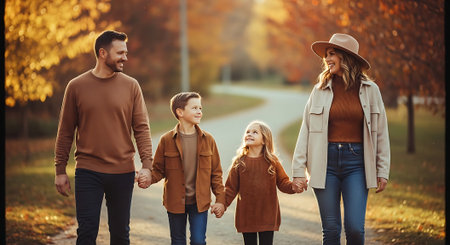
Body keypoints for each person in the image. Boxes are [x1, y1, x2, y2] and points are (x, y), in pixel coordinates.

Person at [54, 30, 153, 245]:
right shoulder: (76, 86)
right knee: (87, 232)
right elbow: (65, 131)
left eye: (126, 53)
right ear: (102, 53)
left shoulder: (131, 86)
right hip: (88, 171)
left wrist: (147, 164)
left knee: (120, 234)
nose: (125, 57)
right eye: (120, 53)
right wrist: (60, 169)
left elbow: (142, 128)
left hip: (122, 172)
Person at [291, 33, 391, 245]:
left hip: (357, 164)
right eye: (327, 55)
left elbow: (381, 132)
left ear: (347, 57)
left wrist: (382, 170)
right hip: (324, 163)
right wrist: (298, 172)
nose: (327, 59)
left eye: (332, 54)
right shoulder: (319, 90)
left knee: (355, 228)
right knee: (331, 230)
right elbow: (305, 131)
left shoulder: (370, 90)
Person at [145, 92, 225, 245]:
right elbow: (158, 170)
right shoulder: (166, 140)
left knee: (198, 241)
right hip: (175, 201)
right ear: (180, 112)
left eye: (200, 108)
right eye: (194, 108)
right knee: (177, 241)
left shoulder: (208, 140)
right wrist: (147, 178)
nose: (199, 111)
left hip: (199, 203)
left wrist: (220, 200)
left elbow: (216, 174)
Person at [224, 120, 301, 245]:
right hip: (247, 215)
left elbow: (283, 182)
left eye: (255, 132)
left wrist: (294, 187)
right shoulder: (239, 162)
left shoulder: (272, 162)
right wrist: (222, 204)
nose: (249, 134)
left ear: (265, 140)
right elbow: (230, 188)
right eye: (247, 132)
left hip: (268, 215)